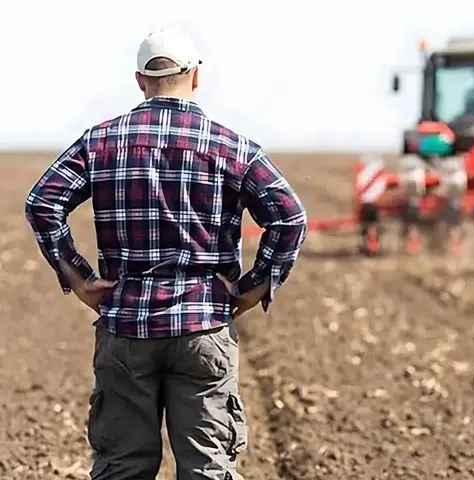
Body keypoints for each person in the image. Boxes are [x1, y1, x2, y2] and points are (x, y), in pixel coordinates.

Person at [24, 28, 307, 480]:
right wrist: (255, 287)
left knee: (122, 467)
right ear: (196, 76)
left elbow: (43, 202)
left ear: (140, 80)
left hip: (126, 327)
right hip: (203, 327)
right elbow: (289, 217)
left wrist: (77, 277)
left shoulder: (101, 141)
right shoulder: (231, 146)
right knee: (207, 468)